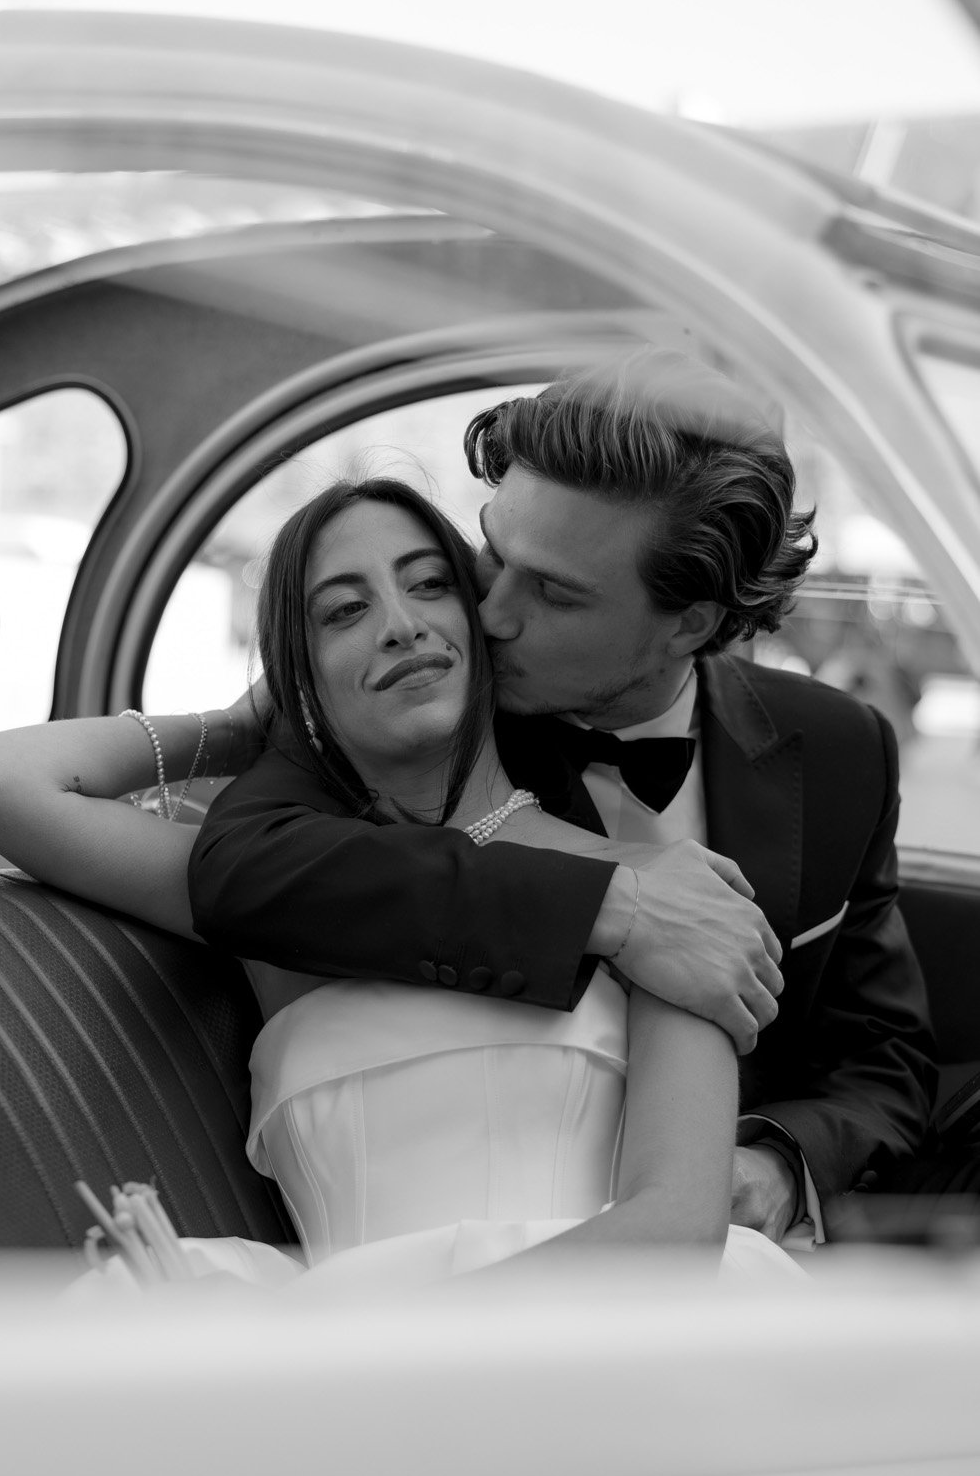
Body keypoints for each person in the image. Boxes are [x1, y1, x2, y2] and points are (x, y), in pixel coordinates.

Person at [188, 353, 937, 1246]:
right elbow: (243, 865)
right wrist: (612, 902)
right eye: (492, 552)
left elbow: (882, 1060)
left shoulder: (841, 749)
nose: (489, 611)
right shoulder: (426, 731)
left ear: (690, 625)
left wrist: (778, 1164)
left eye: (552, 592)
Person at [0, 473, 800, 1286]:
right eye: (345, 611)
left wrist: (397, 1354)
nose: (400, 626)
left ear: (479, 623)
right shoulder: (274, 891)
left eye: (429, 585)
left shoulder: (666, 892)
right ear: (299, 675)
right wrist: (236, 728)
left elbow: (675, 1231)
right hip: (349, 1343)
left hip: (587, 1338)